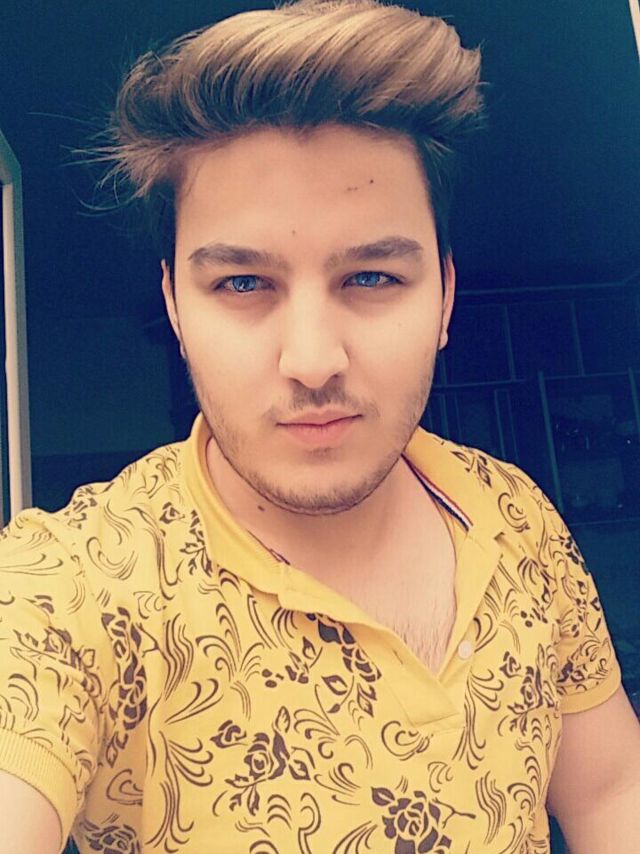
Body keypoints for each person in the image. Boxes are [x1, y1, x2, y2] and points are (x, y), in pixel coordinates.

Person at [1, 0, 639, 851]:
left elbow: (610, 791)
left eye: (372, 277)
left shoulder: (515, 513)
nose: (312, 360)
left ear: (445, 297)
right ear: (175, 306)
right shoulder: (72, 588)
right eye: (242, 284)